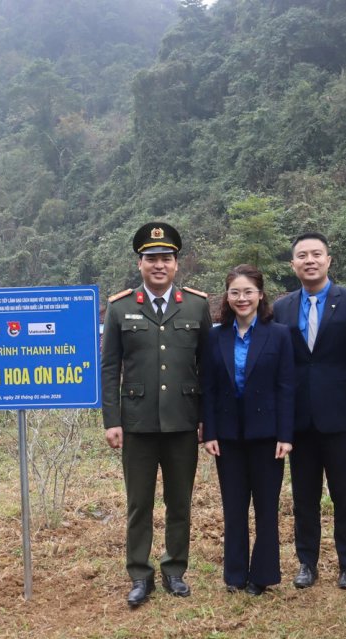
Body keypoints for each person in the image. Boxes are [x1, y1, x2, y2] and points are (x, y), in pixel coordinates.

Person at [101, 221, 212, 607]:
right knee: (139, 503)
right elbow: (109, 368)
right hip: (137, 422)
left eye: (166, 258)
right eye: (152, 259)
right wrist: (111, 420)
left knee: (179, 501)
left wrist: (206, 419)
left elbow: (208, 368)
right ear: (140, 263)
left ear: (177, 264)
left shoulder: (197, 305)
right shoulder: (120, 308)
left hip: (183, 421)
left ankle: (175, 570)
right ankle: (139, 574)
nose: (159, 265)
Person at [273, 232, 346, 590]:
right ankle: (307, 562)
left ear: (329, 260)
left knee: (345, 493)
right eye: (302, 255)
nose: (310, 260)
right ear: (293, 265)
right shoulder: (282, 307)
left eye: (316, 254)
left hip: (342, 417)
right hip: (299, 420)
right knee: (303, 495)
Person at [203, 264, 294, 595]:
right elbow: (208, 388)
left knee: (266, 508)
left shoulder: (279, 334)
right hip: (227, 436)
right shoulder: (215, 336)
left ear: (260, 294)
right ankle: (235, 574)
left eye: (248, 292)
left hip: (268, 435)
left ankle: (263, 575)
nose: (242, 298)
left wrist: (286, 435)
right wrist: (209, 432)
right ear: (227, 297)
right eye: (235, 292)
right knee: (234, 507)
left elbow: (287, 387)